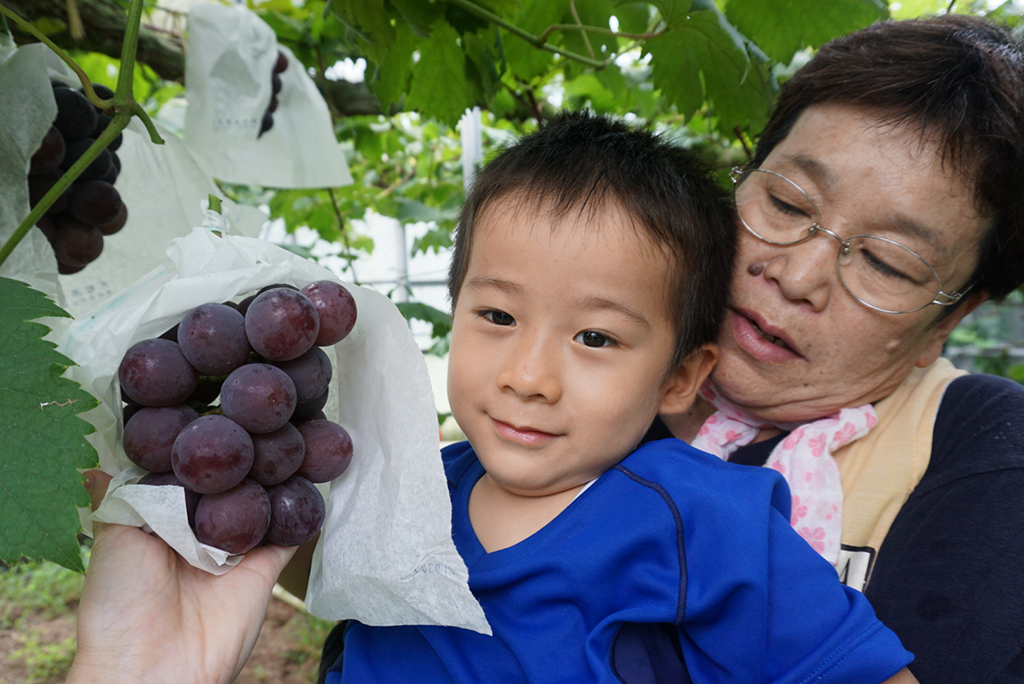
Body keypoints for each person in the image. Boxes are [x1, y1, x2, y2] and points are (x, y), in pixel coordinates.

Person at [67, 112, 918, 683]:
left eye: (596, 338)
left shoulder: (705, 521)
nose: (527, 376)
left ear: (679, 378)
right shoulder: (419, 485)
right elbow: (329, 576)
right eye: (499, 316)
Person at [649, 13, 1024, 684]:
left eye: (886, 262)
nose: (798, 277)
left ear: (950, 320)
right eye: (788, 203)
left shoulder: (983, 451)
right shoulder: (588, 374)